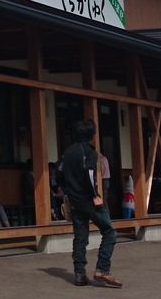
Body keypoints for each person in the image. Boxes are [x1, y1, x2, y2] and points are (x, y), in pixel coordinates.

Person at [60, 119, 122, 288]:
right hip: (88, 199)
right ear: (92, 135)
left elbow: (59, 172)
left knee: (80, 237)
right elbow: (88, 173)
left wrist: (67, 191)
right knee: (109, 232)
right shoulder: (90, 152)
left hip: (74, 200)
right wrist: (95, 195)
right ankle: (102, 269)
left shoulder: (67, 152)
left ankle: (80, 274)